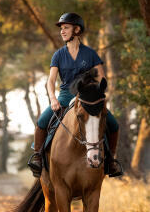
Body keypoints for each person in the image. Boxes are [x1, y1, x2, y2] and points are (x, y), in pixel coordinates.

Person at [28, 12, 123, 178]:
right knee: (42, 122)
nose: (62, 31)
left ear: (77, 30)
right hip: (65, 96)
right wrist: (53, 99)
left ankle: (111, 161)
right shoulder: (58, 55)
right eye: (61, 28)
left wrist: (95, 90)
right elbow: (50, 81)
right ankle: (37, 157)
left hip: (87, 95)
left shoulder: (90, 54)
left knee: (113, 124)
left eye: (66, 28)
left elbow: (102, 78)